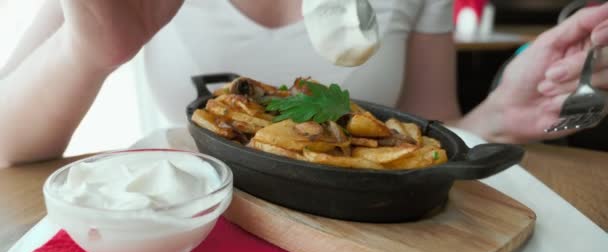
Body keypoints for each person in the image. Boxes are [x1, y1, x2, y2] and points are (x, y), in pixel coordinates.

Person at [0, 0, 607, 167]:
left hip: (364, 243)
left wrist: (499, 115)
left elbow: (429, 133)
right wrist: (89, 53)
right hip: (188, 226)